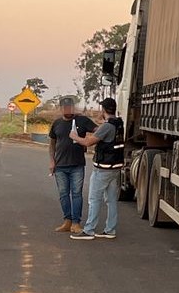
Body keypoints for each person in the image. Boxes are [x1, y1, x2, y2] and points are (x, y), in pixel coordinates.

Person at [70, 97, 124, 241]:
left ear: (104, 110)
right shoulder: (118, 124)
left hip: (103, 169)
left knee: (94, 199)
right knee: (111, 201)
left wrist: (74, 136)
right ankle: (110, 230)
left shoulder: (107, 127)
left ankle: (89, 230)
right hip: (115, 168)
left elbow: (88, 142)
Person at [47, 96, 95, 234]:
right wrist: (52, 161)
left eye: (70, 107)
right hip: (60, 166)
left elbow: (98, 130)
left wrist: (87, 140)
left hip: (77, 165)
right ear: (61, 108)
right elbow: (52, 144)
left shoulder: (82, 120)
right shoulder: (57, 124)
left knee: (76, 194)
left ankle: (76, 223)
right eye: (65, 107)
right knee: (63, 194)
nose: (68, 109)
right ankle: (67, 221)